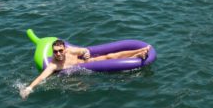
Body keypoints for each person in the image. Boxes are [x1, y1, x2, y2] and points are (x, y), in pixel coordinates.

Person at [20, 40, 150, 98]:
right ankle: (138, 54)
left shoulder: (70, 51)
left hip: (87, 62)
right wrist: (29, 88)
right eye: (55, 52)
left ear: (64, 49)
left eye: (60, 51)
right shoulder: (54, 65)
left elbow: (82, 50)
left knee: (110, 56)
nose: (58, 54)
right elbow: (42, 76)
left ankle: (138, 51)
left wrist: (86, 52)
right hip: (81, 72)